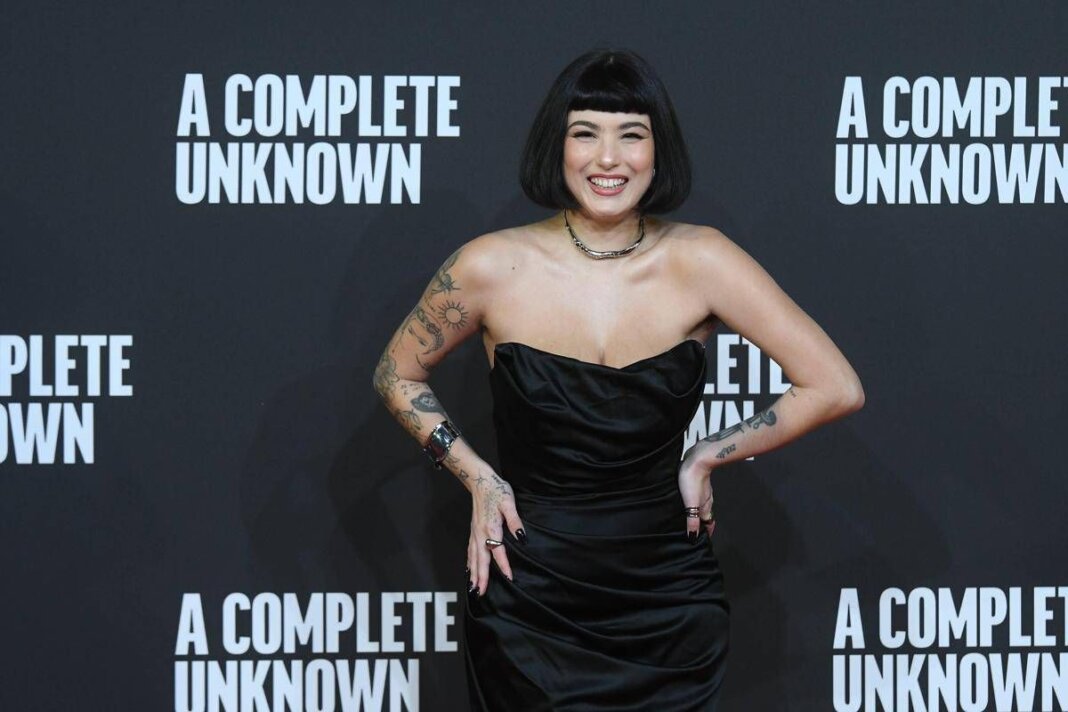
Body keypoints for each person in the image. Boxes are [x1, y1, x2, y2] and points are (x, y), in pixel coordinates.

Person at [374, 47, 865, 711]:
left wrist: (708, 454)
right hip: (528, 601)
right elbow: (397, 374)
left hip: (668, 609)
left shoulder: (703, 261)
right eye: (586, 134)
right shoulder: (490, 266)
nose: (608, 159)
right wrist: (478, 478)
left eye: (632, 135)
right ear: (558, 146)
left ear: (660, 151)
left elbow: (834, 385)